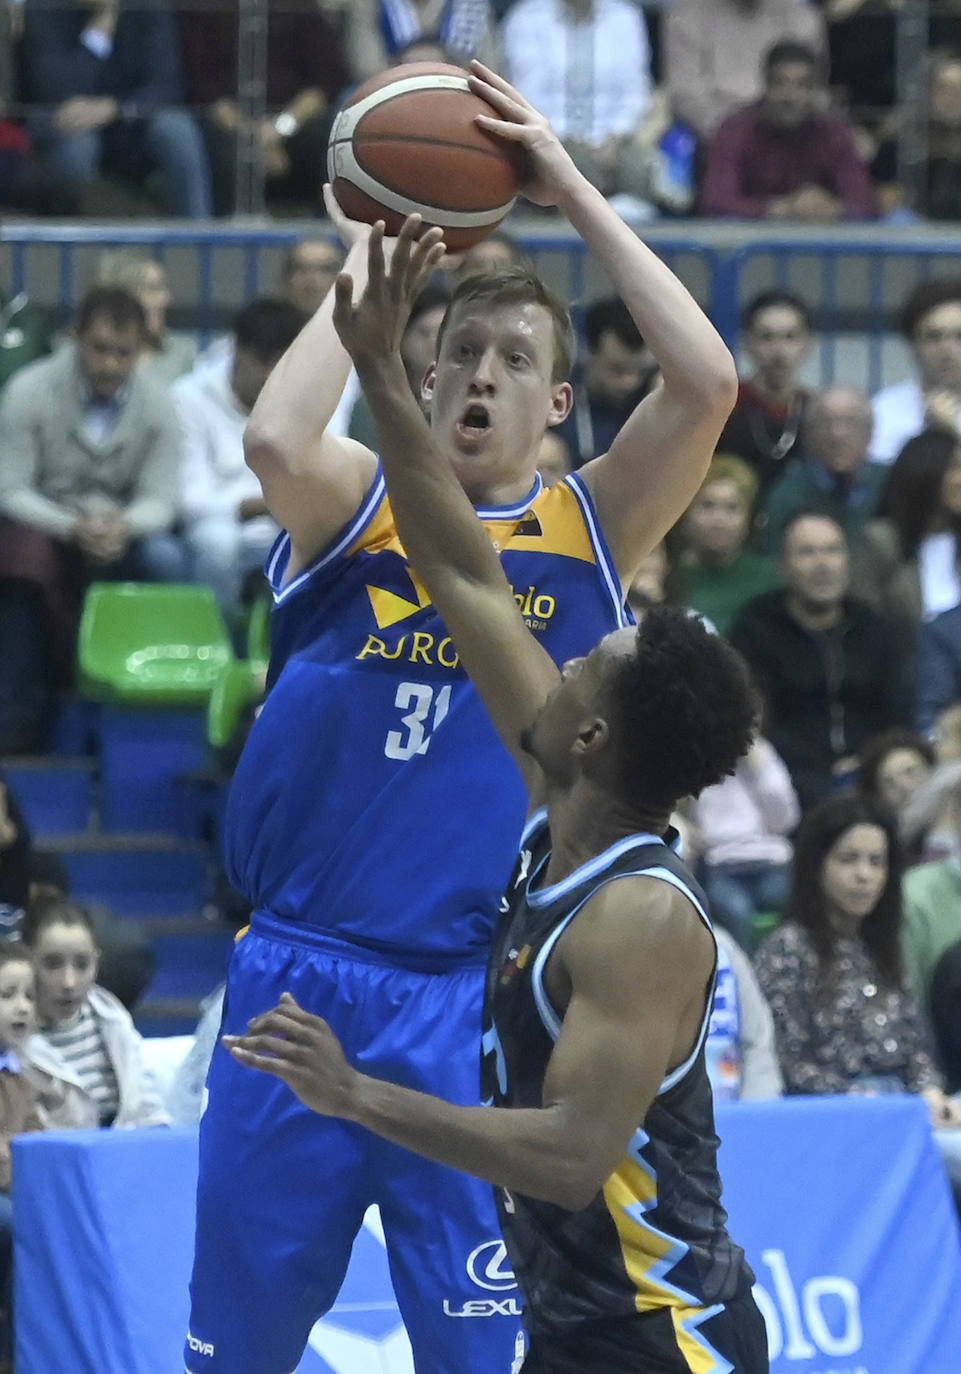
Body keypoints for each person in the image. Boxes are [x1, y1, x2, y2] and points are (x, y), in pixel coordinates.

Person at [186, 60, 744, 1374]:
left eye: (513, 360)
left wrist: (565, 186)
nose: (479, 376)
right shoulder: (360, 499)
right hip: (299, 963)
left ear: (560, 404)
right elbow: (275, 436)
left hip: (468, 992)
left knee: (483, 1352)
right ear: (422, 382)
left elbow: (706, 381)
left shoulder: (591, 528)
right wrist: (374, 245)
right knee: (237, 1346)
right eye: (457, 356)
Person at [753, 792, 961, 1203]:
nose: (864, 875)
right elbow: (790, 1065)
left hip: (905, 1107)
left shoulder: (882, 947)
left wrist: (930, 1092)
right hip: (840, 1118)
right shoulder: (787, 950)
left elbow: (916, 1047)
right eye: (848, 860)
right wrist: (870, 1103)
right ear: (817, 865)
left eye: (876, 862)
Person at [0, 285, 183, 689]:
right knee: (20, 559)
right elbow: (10, 489)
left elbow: (163, 500)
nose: (111, 364)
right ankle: (18, 712)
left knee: (166, 559)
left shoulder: (159, 403)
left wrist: (125, 525)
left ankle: (154, 689)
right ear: (76, 338)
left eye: (124, 352)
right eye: (100, 349)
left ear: (141, 350)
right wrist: (71, 525)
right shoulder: (28, 390)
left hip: (122, 531)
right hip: (46, 525)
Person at [730, 511, 910, 809]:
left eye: (832, 550)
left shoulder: (874, 626)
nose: (823, 564)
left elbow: (897, 708)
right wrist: (822, 767)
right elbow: (754, 715)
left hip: (873, 768)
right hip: (789, 773)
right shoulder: (757, 626)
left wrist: (866, 759)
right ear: (783, 565)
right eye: (807, 553)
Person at [174, 298, 310, 619]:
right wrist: (254, 504)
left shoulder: (303, 398)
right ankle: (218, 642)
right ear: (236, 350)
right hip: (215, 523)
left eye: (282, 364)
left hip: (281, 521)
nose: (271, 376)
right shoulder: (188, 397)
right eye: (263, 361)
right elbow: (190, 501)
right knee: (217, 546)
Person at [20, 0, 211, 218]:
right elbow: (56, 91)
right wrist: (99, 29)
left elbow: (166, 85)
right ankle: (75, 246)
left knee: (178, 130)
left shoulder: (149, 6)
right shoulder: (43, 7)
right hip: (66, 121)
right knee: (77, 145)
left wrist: (115, 108)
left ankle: (197, 238)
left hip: (129, 118)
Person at [177, 0, 349, 217]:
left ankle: (321, 236)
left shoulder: (300, 7)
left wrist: (278, 130)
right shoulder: (203, 9)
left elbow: (327, 81)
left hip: (291, 125)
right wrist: (252, 135)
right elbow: (201, 86)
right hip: (227, 127)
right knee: (218, 151)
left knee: (331, 143)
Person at [19, 897, 168, 1130]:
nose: (69, 982)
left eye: (82, 964)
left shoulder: (113, 1018)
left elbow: (150, 1112)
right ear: (27, 962)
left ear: (96, 962)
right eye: (52, 964)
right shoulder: (13, 1042)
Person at [700, 40, 878, 222]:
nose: (790, 96)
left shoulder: (834, 133)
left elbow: (865, 203)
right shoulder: (735, 131)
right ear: (765, 87)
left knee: (899, 220)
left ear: (815, 91)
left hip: (819, 237)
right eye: (779, 83)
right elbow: (715, 202)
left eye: (802, 85)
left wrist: (832, 208)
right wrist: (780, 208)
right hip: (753, 239)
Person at [851, 428, 961, 656]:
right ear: (926, 473)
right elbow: (860, 626)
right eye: (955, 468)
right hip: (904, 673)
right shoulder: (880, 542)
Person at [689, 731, 799, 953]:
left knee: (789, 901)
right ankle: (744, 978)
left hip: (771, 861)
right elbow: (698, 826)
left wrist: (761, 769)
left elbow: (786, 821)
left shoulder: (765, 759)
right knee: (736, 912)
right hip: (723, 865)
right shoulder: (698, 759)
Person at [664, 0, 825, 147]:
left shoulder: (801, 18)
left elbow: (813, 90)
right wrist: (739, 134)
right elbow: (685, 97)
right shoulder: (687, 16)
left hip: (793, 136)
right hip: (718, 140)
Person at [759, 386, 885, 555]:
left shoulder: (893, 483)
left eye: (851, 422)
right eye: (826, 422)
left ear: (870, 433)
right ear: (807, 434)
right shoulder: (786, 496)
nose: (838, 434)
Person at [718, 290, 813, 493]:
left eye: (790, 337)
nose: (779, 350)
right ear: (747, 342)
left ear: (808, 343)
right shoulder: (725, 407)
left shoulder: (816, 412)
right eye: (767, 337)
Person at [677, 454, 781, 636]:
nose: (719, 520)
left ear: (751, 518)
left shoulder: (771, 579)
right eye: (707, 505)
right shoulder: (667, 577)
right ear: (686, 512)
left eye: (732, 508)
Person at [0, 944, 44, 1368]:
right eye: (7, 995)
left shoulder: (22, 1072)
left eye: (29, 995)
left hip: (13, 1190)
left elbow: (33, 1141)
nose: (22, 1007)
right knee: (14, 1221)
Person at [554, 296, 660, 468]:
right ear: (588, 351)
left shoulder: (655, 393)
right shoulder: (557, 397)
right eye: (617, 369)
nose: (630, 382)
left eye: (640, 371)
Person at [871, 280, 961, 465]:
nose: (947, 350)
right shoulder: (882, 411)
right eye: (934, 337)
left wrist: (951, 434)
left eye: (960, 336)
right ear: (912, 344)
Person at [94, 248, 196, 385]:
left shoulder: (181, 355)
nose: (166, 299)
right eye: (154, 289)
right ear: (124, 297)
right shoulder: (78, 355)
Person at [707, 925, 784, 1100]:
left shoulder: (721, 946)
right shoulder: (635, 949)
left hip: (736, 1112)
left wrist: (756, 1115)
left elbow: (758, 1040)